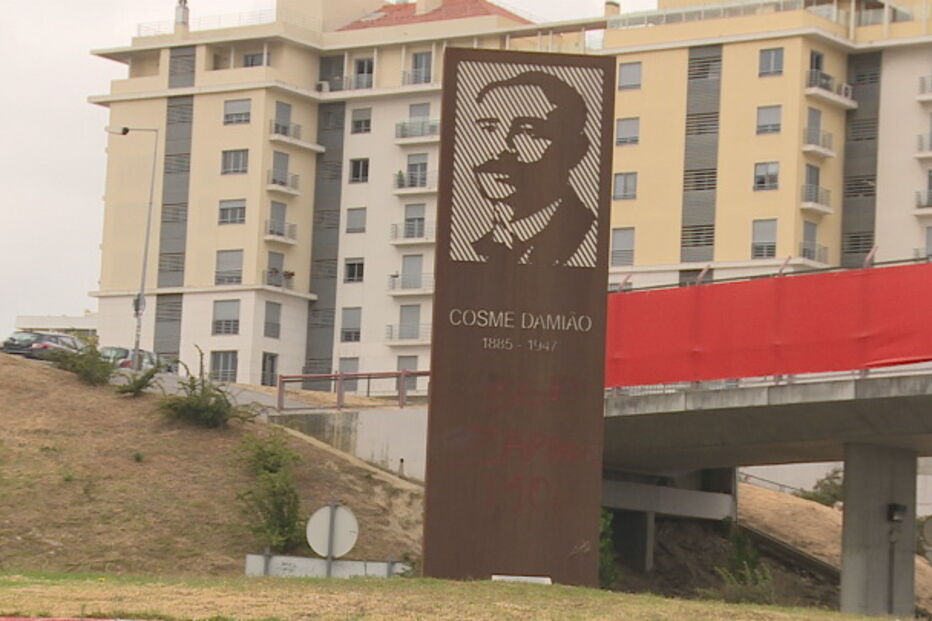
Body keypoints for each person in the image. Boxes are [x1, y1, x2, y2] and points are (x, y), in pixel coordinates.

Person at [469, 70, 593, 267]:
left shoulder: (584, 237)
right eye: (488, 129)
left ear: (573, 150)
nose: (501, 148)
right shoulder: (477, 249)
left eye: (528, 131)